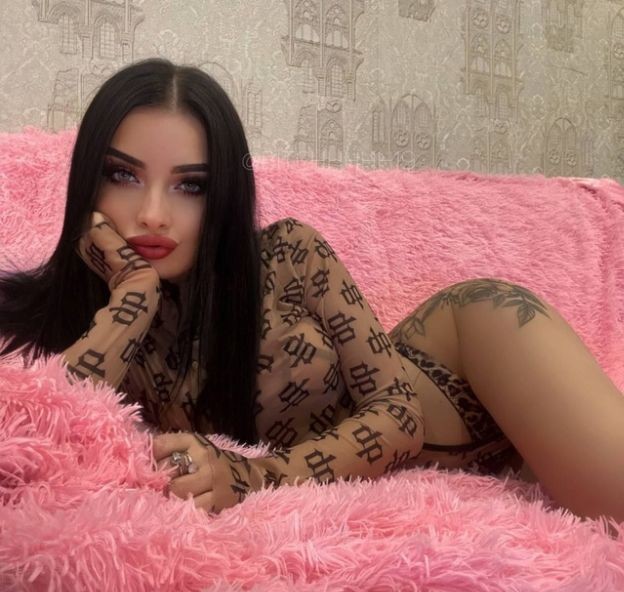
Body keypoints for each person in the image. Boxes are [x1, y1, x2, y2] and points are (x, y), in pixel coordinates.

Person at [1, 59, 622, 529]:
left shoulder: (289, 255)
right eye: (123, 176)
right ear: (87, 184)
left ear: (225, 196)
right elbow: (52, 444)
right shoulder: (81, 327)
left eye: (191, 185)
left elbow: (400, 413)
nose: (153, 213)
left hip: (471, 354)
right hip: (497, 457)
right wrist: (132, 298)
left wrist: (253, 476)